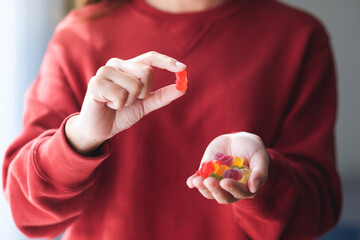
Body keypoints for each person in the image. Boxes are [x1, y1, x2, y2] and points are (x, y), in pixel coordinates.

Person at [2, 0, 342, 239]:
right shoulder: (78, 37)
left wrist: (265, 176)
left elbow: (319, 211)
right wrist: (81, 137)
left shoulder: (299, 37)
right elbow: (24, 211)